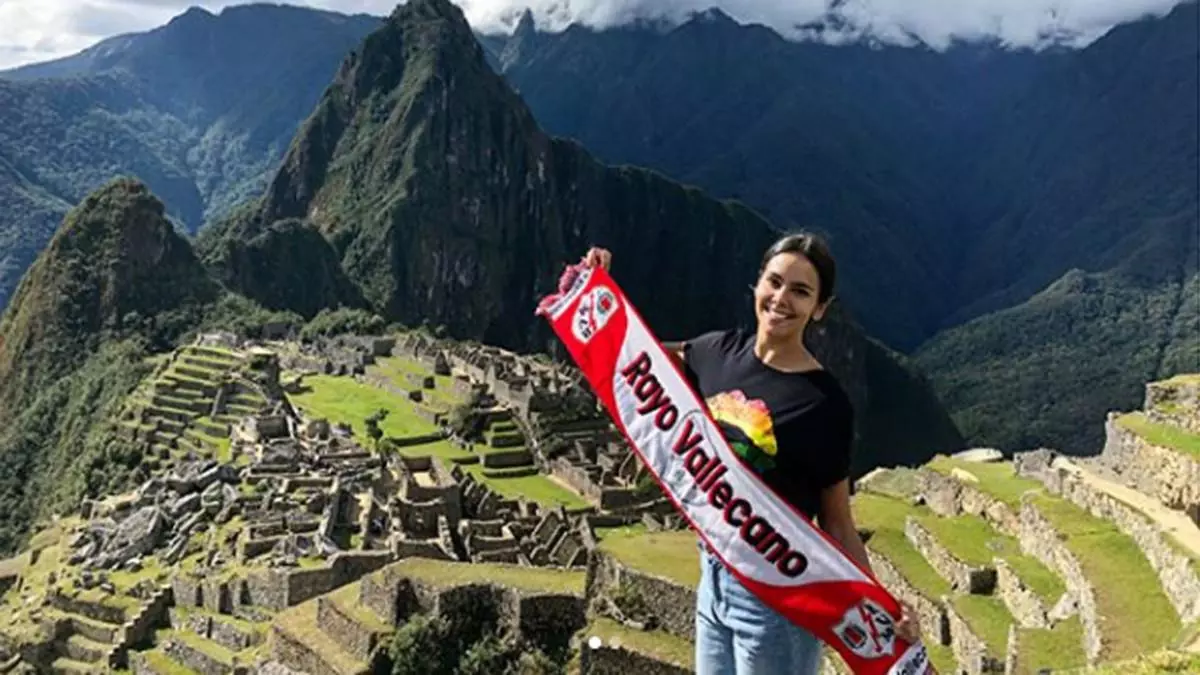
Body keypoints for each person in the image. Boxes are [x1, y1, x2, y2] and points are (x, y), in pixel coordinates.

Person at [581, 234, 919, 675]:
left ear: (819, 308)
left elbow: (837, 521)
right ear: (757, 284)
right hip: (713, 583)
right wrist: (598, 291)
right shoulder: (715, 353)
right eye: (774, 282)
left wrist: (882, 608)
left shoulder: (824, 405)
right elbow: (636, 362)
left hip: (777, 604)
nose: (781, 299)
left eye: (800, 291)